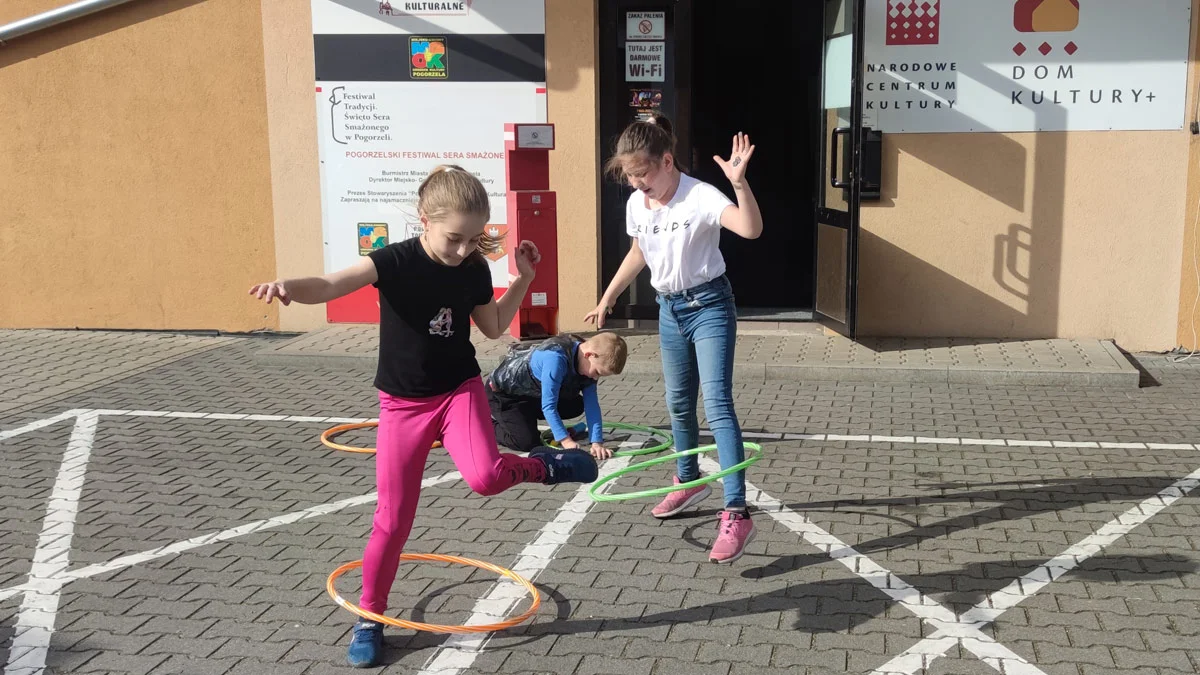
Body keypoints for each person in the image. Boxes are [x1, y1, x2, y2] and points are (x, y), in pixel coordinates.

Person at [248, 164, 599, 668]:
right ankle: (370, 617)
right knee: (391, 521)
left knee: (484, 477)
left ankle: (544, 466)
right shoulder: (394, 261)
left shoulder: (473, 269)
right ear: (424, 219)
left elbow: (495, 326)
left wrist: (523, 279)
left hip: (459, 392)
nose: (464, 249)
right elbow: (328, 284)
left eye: (474, 239)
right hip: (402, 405)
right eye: (455, 238)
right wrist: (288, 286)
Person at [584, 114, 763, 564]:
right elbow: (638, 253)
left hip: (709, 306)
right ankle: (688, 480)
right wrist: (608, 298)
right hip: (669, 310)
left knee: (717, 403)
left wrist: (739, 184)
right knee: (678, 403)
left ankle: (736, 511)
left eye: (642, 175)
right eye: (630, 177)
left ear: (667, 161)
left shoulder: (699, 195)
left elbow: (750, 229)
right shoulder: (637, 204)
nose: (637, 185)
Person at [486, 332, 628, 459]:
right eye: (597, 372)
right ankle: (486, 424)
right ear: (589, 355)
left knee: (577, 405)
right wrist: (566, 441)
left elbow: (592, 405)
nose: (596, 378)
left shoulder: (588, 365)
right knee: (527, 442)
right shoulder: (555, 359)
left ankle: (526, 417)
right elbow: (549, 407)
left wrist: (597, 443)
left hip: (533, 395)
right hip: (504, 395)